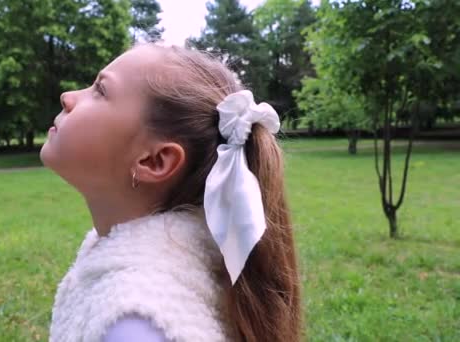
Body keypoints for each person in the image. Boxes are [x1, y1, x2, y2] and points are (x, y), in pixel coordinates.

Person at [41, 44, 301, 342]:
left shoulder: (133, 319)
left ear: (154, 161)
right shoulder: (137, 275)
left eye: (100, 90)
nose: (68, 96)